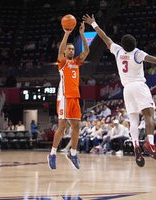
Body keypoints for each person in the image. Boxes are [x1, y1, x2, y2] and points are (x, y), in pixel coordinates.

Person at [83, 14, 156, 167]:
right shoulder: (137, 53)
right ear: (134, 44)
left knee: (133, 120)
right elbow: (155, 60)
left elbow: (104, 37)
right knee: (149, 114)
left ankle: (136, 144)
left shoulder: (118, 51)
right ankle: (150, 143)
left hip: (127, 89)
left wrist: (94, 24)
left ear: (123, 45)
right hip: (138, 85)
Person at [47, 21, 89, 170]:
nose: (71, 51)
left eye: (72, 49)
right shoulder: (63, 63)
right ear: (65, 52)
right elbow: (59, 51)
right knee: (62, 126)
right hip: (64, 96)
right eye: (68, 49)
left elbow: (86, 52)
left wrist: (83, 34)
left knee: (76, 126)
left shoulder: (77, 62)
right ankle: (52, 154)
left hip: (75, 97)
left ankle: (73, 153)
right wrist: (66, 33)